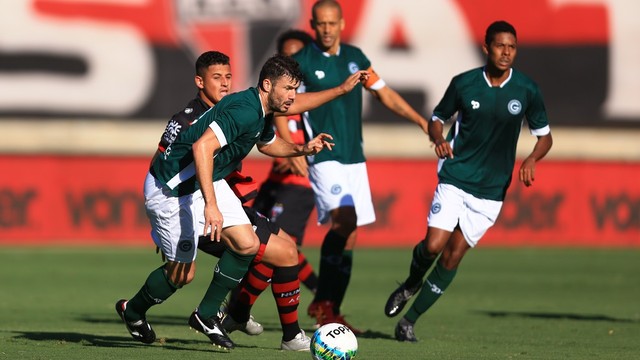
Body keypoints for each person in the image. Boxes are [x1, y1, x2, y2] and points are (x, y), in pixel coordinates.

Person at [115, 52, 368, 350]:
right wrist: (211, 205)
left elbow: (269, 144)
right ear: (266, 85)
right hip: (172, 190)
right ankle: (132, 311)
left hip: (204, 180)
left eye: (294, 89)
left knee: (247, 244)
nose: (292, 96)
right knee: (181, 275)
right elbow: (201, 148)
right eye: (288, 89)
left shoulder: (261, 111)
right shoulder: (245, 110)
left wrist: (303, 148)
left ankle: (206, 315)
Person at [384, 20, 553, 342]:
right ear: (486, 48)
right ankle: (410, 282)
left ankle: (410, 321)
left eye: (512, 47)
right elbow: (437, 119)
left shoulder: (527, 90)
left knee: (453, 256)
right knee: (434, 245)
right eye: (500, 46)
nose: (506, 52)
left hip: (491, 190)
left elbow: (545, 137)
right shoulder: (464, 84)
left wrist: (532, 158)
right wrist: (438, 138)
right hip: (456, 175)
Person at [292, 0, 430, 333]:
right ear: (312, 24)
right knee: (345, 219)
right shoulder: (301, 62)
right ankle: (323, 299)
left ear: (341, 24)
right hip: (324, 156)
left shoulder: (356, 58)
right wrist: (292, 148)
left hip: (354, 157)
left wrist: (419, 120)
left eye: (332, 23)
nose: (326, 29)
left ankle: (331, 309)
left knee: (351, 234)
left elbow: (384, 93)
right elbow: (283, 104)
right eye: (320, 23)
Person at [251, 29, 318, 294]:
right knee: (249, 242)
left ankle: (238, 310)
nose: (292, 60)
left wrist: (297, 152)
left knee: (278, 246)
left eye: (297, 55)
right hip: (275, 180)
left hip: (299, 184)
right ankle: (235, 309)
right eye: (287, 55)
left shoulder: (310, 95)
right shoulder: (276, 96)